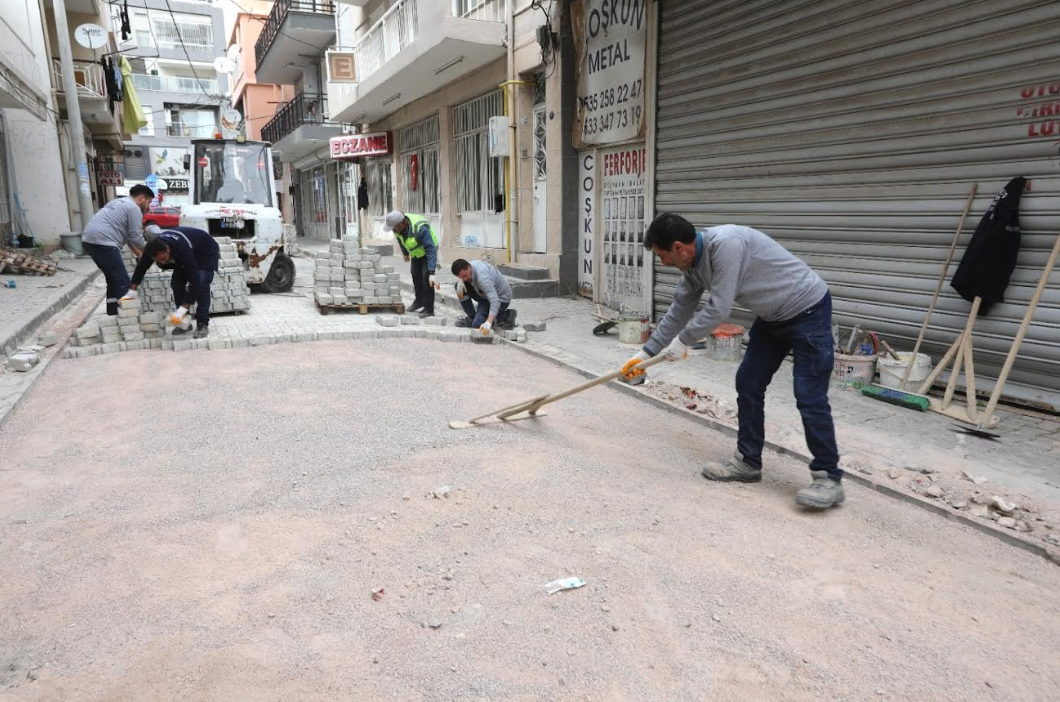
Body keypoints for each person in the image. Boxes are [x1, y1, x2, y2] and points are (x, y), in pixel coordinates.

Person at [622, 213, 843, 510]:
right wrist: (646, 354)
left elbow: (719, 307)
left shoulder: (726, 244)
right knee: (749, 382)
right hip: (772, 317)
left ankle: (828, 478)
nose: (664, 264)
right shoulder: (692, 267)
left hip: (808, 310)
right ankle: (748, 462)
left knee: (808, 394)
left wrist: (683, 342)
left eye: (664, 256)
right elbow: (679, 309)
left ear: (679, 247)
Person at [128, 226, 219, 339]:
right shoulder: (152, 249)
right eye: (159, 261)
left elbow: (195, 281)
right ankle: (184, 322)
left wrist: (183, 308)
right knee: (176, 284)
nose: (163, 262)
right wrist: (131, 290)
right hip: (186, 251)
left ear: (167, 249)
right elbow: (141, 268)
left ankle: (202, 323)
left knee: (201, 282)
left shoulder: (182, 248)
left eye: (163, 258)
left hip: (205, 251)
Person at [81, 184, 153, 315]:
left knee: (113, 279)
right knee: (122, 282)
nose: (149, 206)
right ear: (142, 198)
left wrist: (139, 254)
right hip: (104, 243)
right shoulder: (134, 208)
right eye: (149, 202)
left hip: (90, 240)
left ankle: (113, 312)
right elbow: (136, 237)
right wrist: (151, 253)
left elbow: (129, 237)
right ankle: (129, 319)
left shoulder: (119, 202)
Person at [384, 210, 439, 317]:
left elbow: (431, 248)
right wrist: (405, 253)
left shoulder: (420, 228)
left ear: (402, 224)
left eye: (394, 228)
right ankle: (419, 301)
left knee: (426, 277)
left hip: (428, 251)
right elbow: (400, 240)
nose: (393, 231)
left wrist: (432, 272)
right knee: (415, 274)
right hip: (416, 252)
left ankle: (429, 309)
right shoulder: (398, 229)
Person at [450, 258, 517, 334]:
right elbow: (464, 279)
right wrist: (460, 282)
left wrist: (488, 322)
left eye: (465, 276)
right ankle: (472, 317)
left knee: (478, 324)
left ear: (469, 267)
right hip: (483, 295)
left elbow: (495, 301)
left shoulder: (483, 278)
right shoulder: (469, 269)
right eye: (461, 277)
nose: (464, 279)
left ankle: (508, 315)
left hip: (501, 299)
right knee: (459, 287)